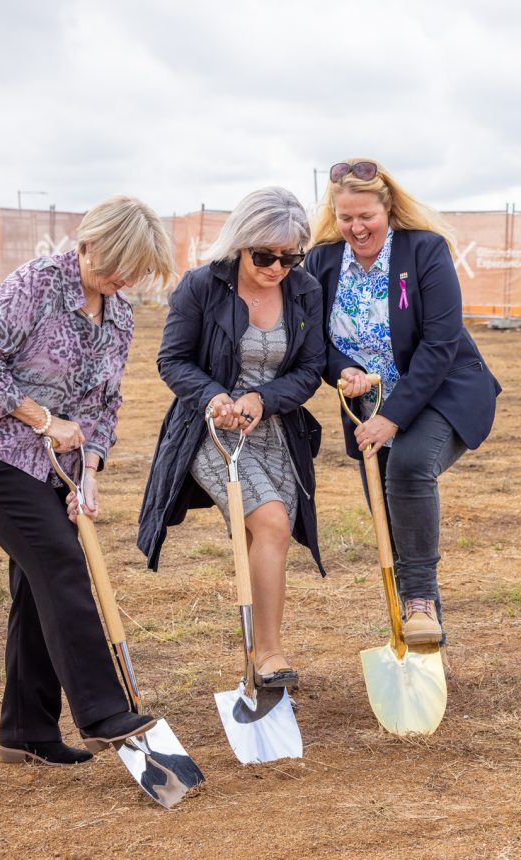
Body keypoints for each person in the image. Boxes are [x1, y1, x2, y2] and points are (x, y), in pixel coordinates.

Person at [0, 195, 174, 766]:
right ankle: (103, 711)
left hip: (54, 461)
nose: (124, 278)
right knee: (61, 564)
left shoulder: (118, 311)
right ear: (88, 242)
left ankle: (27, 730)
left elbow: (103, 402)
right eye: (116, 263)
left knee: (35, 583)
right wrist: (45, 420)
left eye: (136, 271)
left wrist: (89, 472)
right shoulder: (35, 285)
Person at [305, 158, 500, 647]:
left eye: (365, 216)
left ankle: (420, 602)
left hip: (442, 391)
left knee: (408, 468)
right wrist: (340, 369)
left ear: (387, 207)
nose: (355, 227)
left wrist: (392, 417)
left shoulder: (424, 251)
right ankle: (407, 624)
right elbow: (315, 341)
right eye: (345, 217)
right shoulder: (323, 261)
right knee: (385, 511)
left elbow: (440, 342)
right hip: (368, 406)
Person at [137, 187, 325, 689]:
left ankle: (257, 662)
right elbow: (172, 360)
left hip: (274, 429)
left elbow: (310, 369)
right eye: (265, 256)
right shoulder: (200, 285)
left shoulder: (305, 290)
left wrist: (264, 399)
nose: (277, 268)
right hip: (210, 432)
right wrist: (215, 396)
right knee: (272, 522)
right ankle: (269, 654)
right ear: (241, 244)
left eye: (290, 257)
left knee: (264, 535)